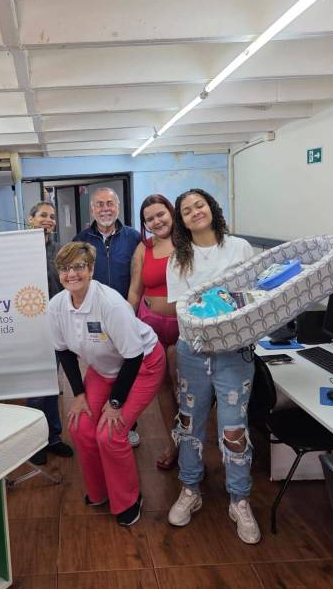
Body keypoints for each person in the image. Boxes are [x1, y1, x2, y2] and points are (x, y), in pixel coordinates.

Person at [166, 188, 261, 544]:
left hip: (234, 354)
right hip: (193, 354)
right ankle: (190, 489)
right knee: (189, 424)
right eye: (186, 210)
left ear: (211, 208)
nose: (195, 212)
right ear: (182, 221)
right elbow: (183, 311)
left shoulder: (240, 248)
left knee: (234, 429)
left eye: (199, 205)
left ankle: (239, 500)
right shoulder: (179, 260)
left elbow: (252, 298)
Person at [49, 241, 166, 526]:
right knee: (79, 426)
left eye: (78, 266)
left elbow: (134, 356)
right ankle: (100, 490)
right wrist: (79, 394)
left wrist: (115, 404)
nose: (71, 274)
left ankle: (128, 499)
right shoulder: (56, 306)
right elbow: (63, 351)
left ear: (91, 269)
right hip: (104, 369)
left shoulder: (111, 304)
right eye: (64, 268)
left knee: (110, 433)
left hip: (142, 366)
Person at [74, 187, 142, 446]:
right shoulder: (81, 240)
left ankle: (128, 424)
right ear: (92, 210)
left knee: (128, 368)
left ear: (118, 207)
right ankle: (103, 416)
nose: (105, 209)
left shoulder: (133, 238)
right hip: (94, 317)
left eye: (110, 204)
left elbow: (140, 276)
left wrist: (132, 309)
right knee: (102, 367)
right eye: (99, 204)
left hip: (127, 315)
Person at [127, 194, 180, 470]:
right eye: (150, 219)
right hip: (150, 325)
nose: (156, 221)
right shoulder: (143, 248)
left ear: (171, 212)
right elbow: (135, 291)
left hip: (184, 327)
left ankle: (192, 448)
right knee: (163, 386)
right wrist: (125, 325)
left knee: (185, 386)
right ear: (144, 224)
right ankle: (173, 444)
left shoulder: (189, 243)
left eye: (161, 214)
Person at [27, 201, 73, 465]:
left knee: (51, 384)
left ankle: (53, 437)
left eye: (52, 216)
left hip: (55, 324)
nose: (48, 220)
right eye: (43, 215)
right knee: (36, 387)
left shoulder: (60, 252)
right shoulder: (18, 250)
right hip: (28, 327)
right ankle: (34, 443)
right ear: (30, 219)